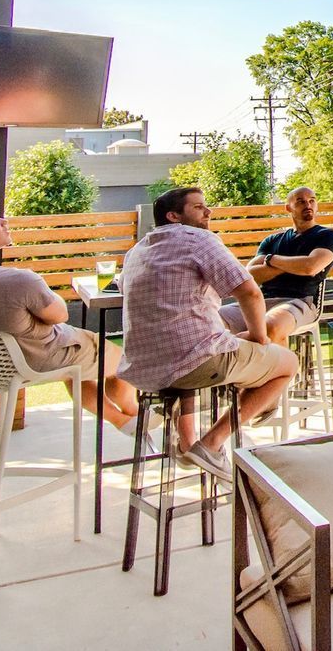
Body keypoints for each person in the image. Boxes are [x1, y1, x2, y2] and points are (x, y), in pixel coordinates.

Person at [0, 200, 145, 434]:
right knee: (122, 362)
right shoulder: (18, 280)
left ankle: (123, 421)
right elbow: (59, 314)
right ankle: (134, 414)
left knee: (78, 369)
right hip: (36, 361)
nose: (4, 221)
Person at [119, 187, 298, 477]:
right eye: (199, 207)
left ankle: (187, 444)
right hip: (191, 363)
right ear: (174, 216)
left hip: (144, 371)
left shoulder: (136, 251)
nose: (208, 212)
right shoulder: (199, 239)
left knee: (199, 344)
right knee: (287, 363)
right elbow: (250, 292)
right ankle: (212, 444)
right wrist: (260, 339)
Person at [233, 186, 333, 343]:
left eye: (312, 201)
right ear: (288, 207)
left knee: (271, 327)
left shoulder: (328, 236)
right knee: (214, 321)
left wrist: (271, 260)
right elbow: (251, 274)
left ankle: (283, 367)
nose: (308, 205)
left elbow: (310, 267)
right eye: (301, 201)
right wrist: (295, 264)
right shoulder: (272, 240)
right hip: (260, 301)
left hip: (301, 301)